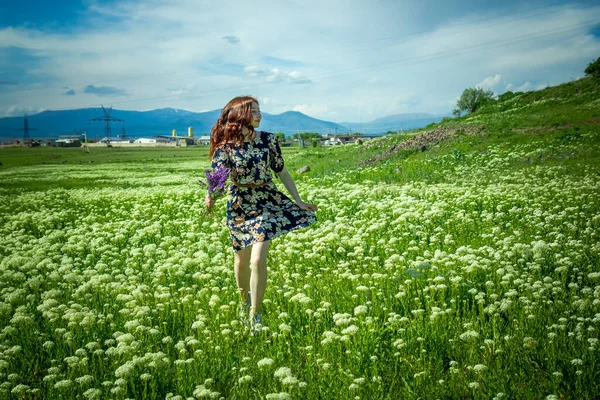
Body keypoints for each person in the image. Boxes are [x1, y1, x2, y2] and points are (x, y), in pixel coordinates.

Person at [206, 95, 317, 333]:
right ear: (240, 116)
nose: (259, 115)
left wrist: (298, 201)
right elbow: (218, 181)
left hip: (267, 200)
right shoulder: (225, 148)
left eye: (259, 110)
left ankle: (256, 316)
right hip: (239, 205)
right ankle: (243, 303)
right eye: (253, 111)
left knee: (257, 259)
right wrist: (210, 198)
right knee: (242, 261)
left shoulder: (268, 140)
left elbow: (283, 172)